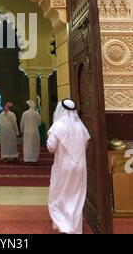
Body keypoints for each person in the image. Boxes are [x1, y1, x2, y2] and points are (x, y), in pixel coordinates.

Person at [47, 99, 90, 234]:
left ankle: (64, 224)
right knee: (76, 194)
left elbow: (51, 147)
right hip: (80, 166)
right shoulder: (80, 126)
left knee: (61, 194)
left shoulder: (58, 126)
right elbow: (86, 144)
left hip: (64, 166)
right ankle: (75, 227)